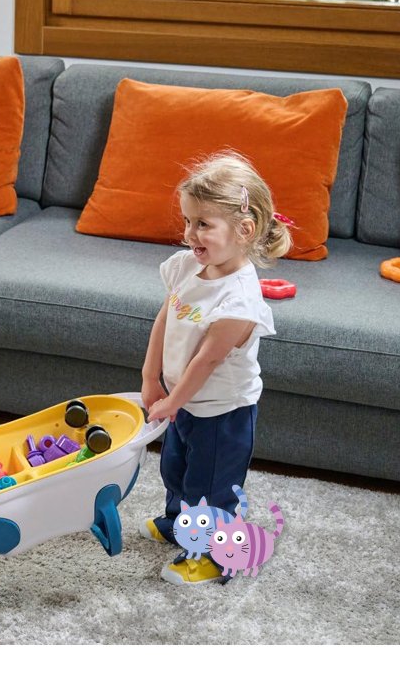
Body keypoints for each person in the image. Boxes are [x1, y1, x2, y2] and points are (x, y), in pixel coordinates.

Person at [138, 151, 292, 585]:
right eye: (188, 221)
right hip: (184, 399)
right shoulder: (189, 266)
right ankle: (178, 522)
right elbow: (165, 317)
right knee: (176, 469)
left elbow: (207, 359)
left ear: (244, 230)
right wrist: (151, 378)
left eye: (203, 224)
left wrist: (173, 401)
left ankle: (212, 555)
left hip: (223, 412)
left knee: (210, 486)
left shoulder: (240, 300)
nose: (190, 233)